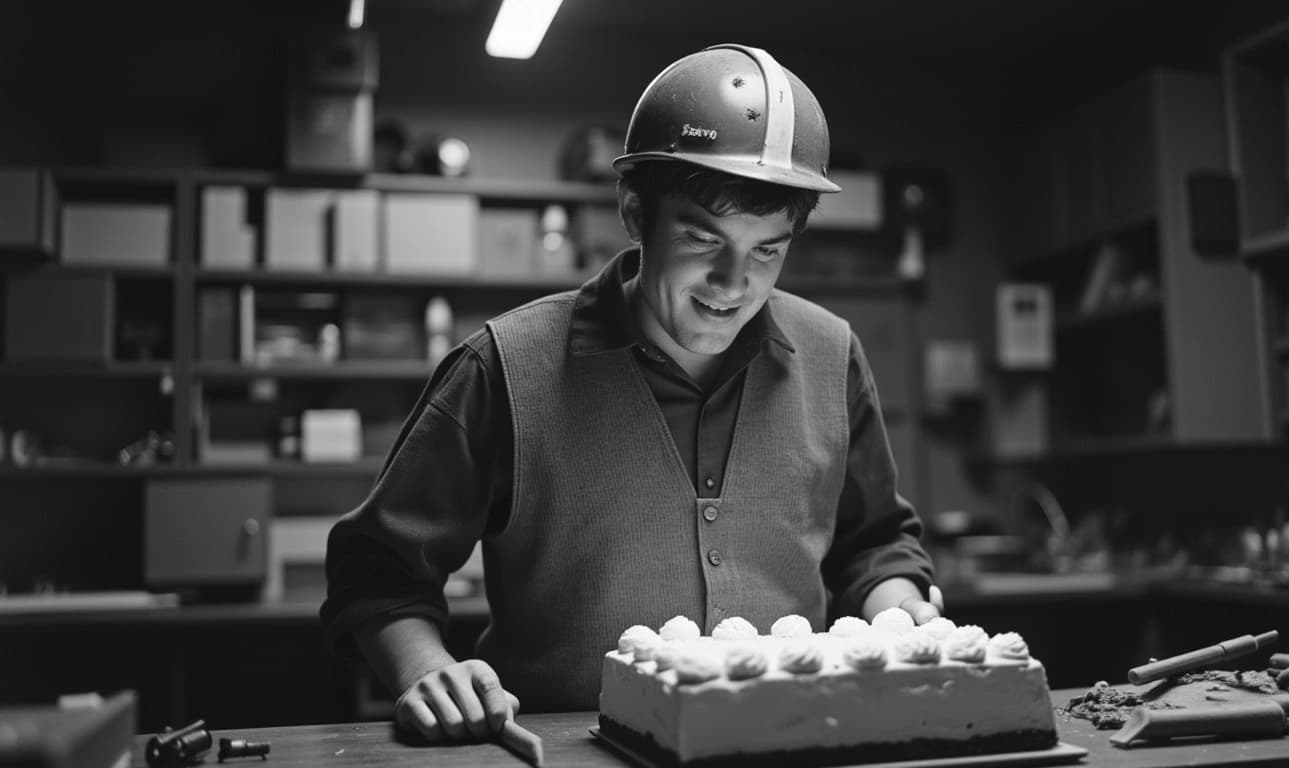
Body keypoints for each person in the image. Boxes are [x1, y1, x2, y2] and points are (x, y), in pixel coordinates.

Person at [321, 43, 940, 744]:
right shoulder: (506, 367)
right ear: (634, 212)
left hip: (792, 742)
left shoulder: (833, 356)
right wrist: (425, 668)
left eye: (767, 250)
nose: (733, 283)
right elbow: (377, 571)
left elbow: (875, 542)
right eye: (703, 239)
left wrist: (902, 609)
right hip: (562, 754)